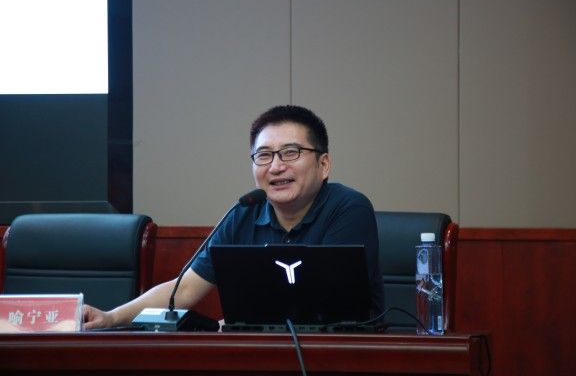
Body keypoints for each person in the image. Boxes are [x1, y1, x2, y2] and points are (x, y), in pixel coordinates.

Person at [83, 105, 384, 329]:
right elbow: (184, 289)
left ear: (324, 164)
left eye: (290, 152)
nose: (276, 166)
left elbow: (327, 302)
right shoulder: (244, 213)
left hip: (342, 355)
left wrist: (244, 320)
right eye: (264, 155)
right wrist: (111, 317)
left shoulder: (348, 209)